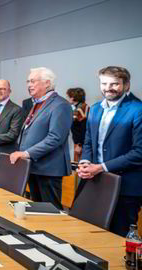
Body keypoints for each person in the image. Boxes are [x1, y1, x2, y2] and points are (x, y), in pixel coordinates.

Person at [77, 66, 142, 237]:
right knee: (88, 232)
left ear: (126, 85)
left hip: (126, 186)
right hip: (94, 181)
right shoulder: (96, 108)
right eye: (104, 83)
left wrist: (101, 167)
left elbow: (139, 152)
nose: (108, 88)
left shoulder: (138, 109)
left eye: (114, 84)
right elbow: (89, 141)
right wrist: (85, 162)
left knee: (119, 237)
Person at [10, 67, 72, 210]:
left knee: (50, 210)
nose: (29, 85)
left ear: (47, 83)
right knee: (37, 209)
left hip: (49, 168)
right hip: (35, 166)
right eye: (28, 81)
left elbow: (55, 137)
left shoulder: (60, 105)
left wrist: (26, 153)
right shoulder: (37, 102)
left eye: (32, 81)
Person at [66, 87, 89, 162]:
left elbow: (84, 129)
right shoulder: (77, 108)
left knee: (79, 166)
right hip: (78, 142)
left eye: (68, 97)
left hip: (81, 143)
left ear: (72, 98)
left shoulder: (81, 109)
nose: (67, 98)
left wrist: (79, 144)